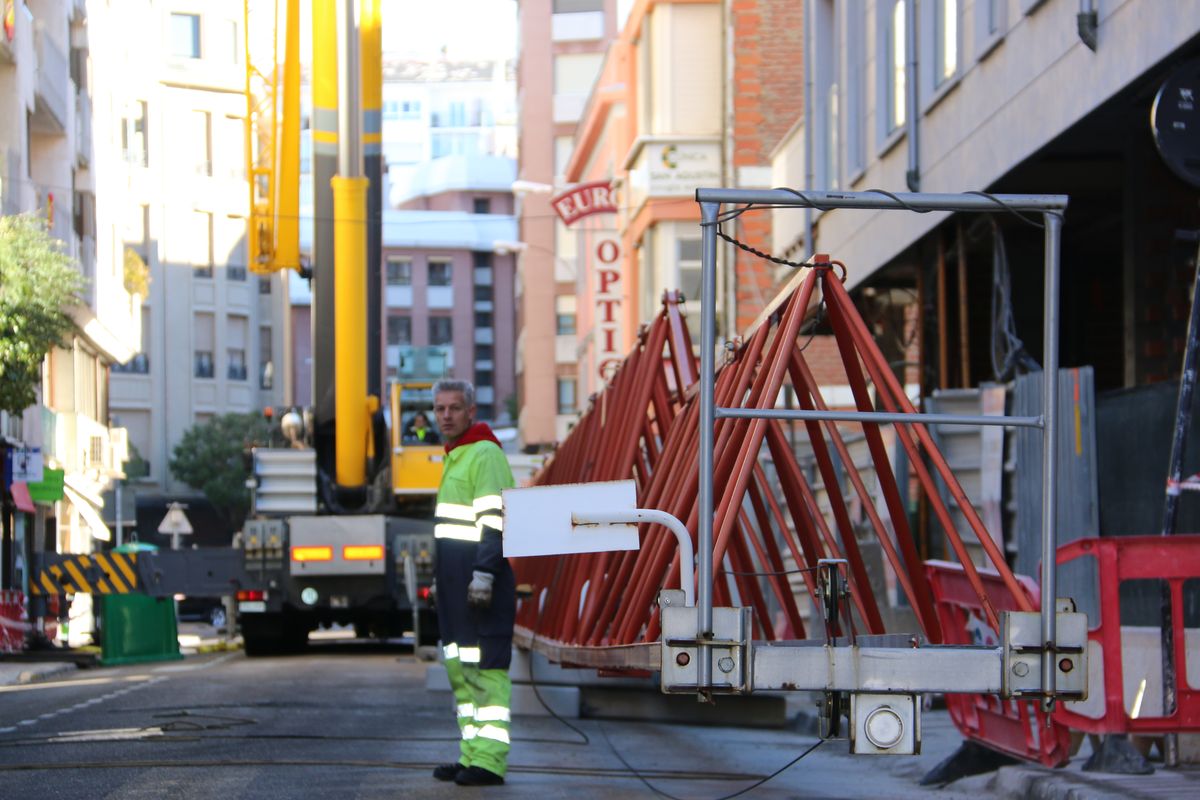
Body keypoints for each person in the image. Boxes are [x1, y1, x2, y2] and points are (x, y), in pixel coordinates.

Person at [429, 379, 515, 787]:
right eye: (440, 408)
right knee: (461, 672)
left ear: (471, 412)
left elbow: (494, 521)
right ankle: (471, 756)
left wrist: (484, 574)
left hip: (482, 585)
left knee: (487, 670)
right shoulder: (456, 456)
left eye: (454, 408)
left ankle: (490, 763)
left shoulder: (484, 453)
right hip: (455, 587)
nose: (446, 415)